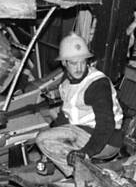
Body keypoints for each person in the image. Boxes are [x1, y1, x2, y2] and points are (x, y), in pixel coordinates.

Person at [35, 33, 125, 177]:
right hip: (83, 132)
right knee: (44, 136)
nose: (79, 68)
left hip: (107, 139)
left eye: (83, 62)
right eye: (73, 63)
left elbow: (106, 124)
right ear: (64, 63)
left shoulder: (97, 84)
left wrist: (86, 152)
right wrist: (47, 151)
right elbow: (65, 116)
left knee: (42, 139)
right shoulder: (66, 83)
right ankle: (77, 168)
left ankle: (81, 174)